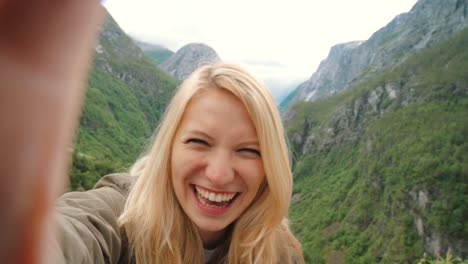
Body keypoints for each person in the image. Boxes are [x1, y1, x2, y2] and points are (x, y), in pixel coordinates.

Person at [1, 1, 304, 263]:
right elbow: (68, 233)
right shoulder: (119, 219)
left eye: (249, 150)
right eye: (199, 142)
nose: (219, 174)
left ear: (270, 166)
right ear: (169, 148)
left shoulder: (276, 252)